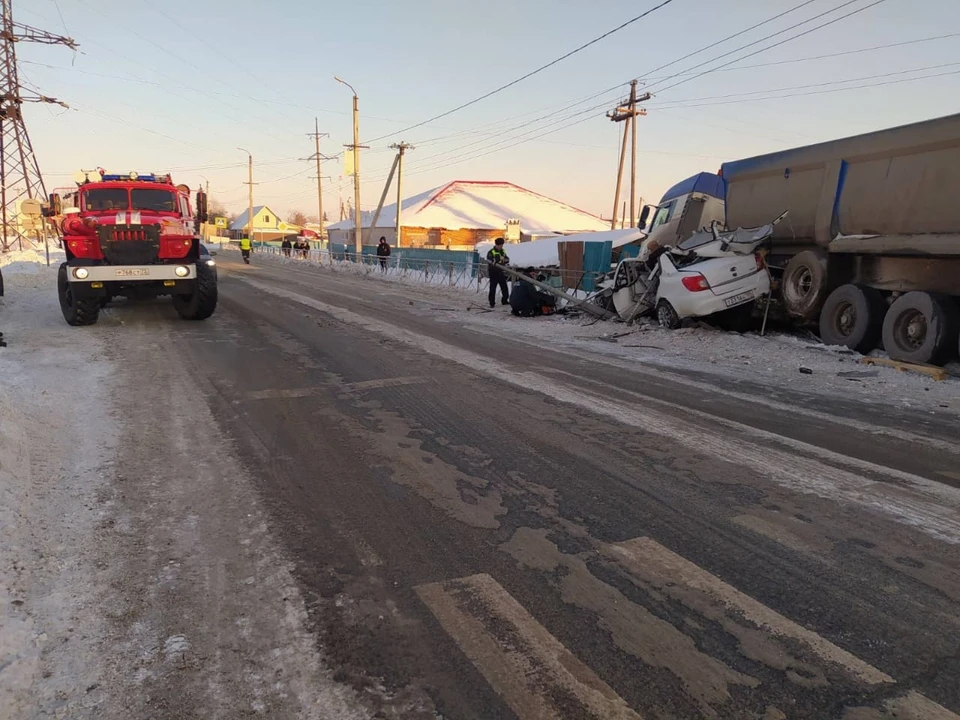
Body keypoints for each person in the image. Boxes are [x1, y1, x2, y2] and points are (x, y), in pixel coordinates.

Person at [486, 237, 510, 308]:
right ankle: (492, 303)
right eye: (500, 245)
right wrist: (498, 261)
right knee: (493, 288)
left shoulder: (503, 251)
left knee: (504, 287)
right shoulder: (491, 252)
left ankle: (505, 300)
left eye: (502, 245)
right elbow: (490, 261)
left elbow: (507, 259)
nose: (501, 247)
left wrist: (500, 261)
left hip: (500, 271)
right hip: (493, 272)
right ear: (497, 245)